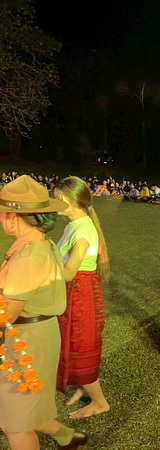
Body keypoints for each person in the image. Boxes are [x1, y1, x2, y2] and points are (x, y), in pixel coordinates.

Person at [0, 175, 88, 449]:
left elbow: (6, 312)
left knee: (15, 424)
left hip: (27, 341)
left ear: (13, 217)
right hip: (34, 334)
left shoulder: (30, 255)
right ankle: (66, 436)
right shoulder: (40, 244)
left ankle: (64, 436)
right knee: (22, 406)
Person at [53, 177, 111, 420]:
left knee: (80, 346)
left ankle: (100, 402)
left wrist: (42, 264)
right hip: (74, 293)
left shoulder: (83, 231)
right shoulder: (74, 224)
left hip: (80, 295)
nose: (55, 204)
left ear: (71, 200)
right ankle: (82, 386)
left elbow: (68, 273)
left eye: (58, 199)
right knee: (71, 344)